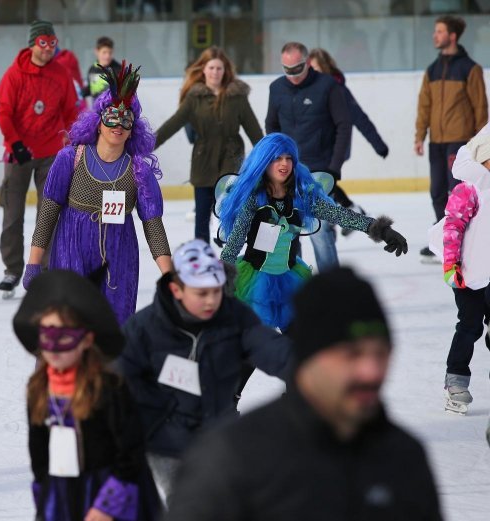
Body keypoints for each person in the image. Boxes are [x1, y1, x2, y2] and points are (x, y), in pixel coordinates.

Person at [165, 268, 444, 521]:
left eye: (381, 353)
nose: (371, 371)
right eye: (352, 355)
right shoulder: (232, 457)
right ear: (310, 356)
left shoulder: (403, 456)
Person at [119, 239, 291, 505]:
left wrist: (309, 370)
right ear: (177, 289)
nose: (211, 300)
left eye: (216, 291)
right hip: (167, 439)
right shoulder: (144, 328)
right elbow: (117, 379)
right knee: (191, 501)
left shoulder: (235, 318)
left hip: (219, 432)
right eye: (201, 293)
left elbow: (270, 347)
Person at [22, 63, 171, 324]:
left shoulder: (138, 171)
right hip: (72, 253)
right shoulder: (70, 159)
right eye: (112, 116)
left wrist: (170, 279)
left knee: (114, 331)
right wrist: (34, 264)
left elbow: (153, 227)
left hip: (119, 259)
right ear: (98, 122)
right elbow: (48, 213)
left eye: (126, 118)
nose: (119, 124)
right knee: (68, 328)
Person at [218, 133, 407, 333]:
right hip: (253, 284)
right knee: (248, 353)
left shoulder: (301, 197)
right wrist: (220, 282)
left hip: (290, 280)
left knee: (299, 350)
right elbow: (235, 243)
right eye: (277, 158)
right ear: (264, 162)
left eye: (288, 158)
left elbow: (340, 215)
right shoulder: (254, 200)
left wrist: (382, 230)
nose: (284, 164)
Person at [13, 269, 162, 521]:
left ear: (86, 339)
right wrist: (45, 496)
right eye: (47, 334)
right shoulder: (38, 388)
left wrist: (107, 506)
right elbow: (38, 450)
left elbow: (131, 450)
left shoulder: (109, 386)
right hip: (62, 489)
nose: (54, 347)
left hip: (110, 489)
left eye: (65, 335)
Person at [0, 19, 79, 296]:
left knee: (49, 214)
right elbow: (4, 113)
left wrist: (73, 137)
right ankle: (12, 270)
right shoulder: (14, 74)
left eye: (52, 43)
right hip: (19, 154)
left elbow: (70, 111)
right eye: (43, 43)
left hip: (50, 153)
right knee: (12, 214)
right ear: (33, 44)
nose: (48, 49)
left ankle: (44, 270)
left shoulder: (61, 73)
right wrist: (15, 143)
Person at [155, 46, 263, 243]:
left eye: (219, 68)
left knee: (228, 219)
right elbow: (172, 125)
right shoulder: (194, 98)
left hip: (231, 162)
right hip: (203, 163)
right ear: (203, 69)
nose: (215, 72)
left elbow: (254, 131)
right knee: (202, 222)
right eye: (211, 68)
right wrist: (146, 146)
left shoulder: (237, 97)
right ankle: (203, 264)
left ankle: (230, 262)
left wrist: (269, 156)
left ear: (225, 70)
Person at [266, 41, 352, 272]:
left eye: (297, 69)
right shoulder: (276, 88)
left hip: (319, 171)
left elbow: (344, 126)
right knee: (288, 230)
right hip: (286, 171)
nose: (292, 75)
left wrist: (334, 167)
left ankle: (330, 285)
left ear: (307, 62)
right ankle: (295, 281)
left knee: (320, 229)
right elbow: (271, 125)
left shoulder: (328, 87)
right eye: (287, 70)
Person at [416, 15, 487, 262]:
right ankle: (444, 238)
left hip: (460, 142)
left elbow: (481, 108)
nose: (435, 36)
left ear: (452, 36)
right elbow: (424, 105)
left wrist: (482, 146)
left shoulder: (470, 69)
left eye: (439, 31)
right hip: (437, 141)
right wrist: (419, 135)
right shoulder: (432, 70)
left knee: (456, 191)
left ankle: (466, 239)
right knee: (436, 191)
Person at [430, 130, 490, 414]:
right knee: (470, 325)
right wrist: (451, 266)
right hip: (465, 274)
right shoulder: (468, 189)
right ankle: (456, 381)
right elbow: (452, 229)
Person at [309, 47, 389, 232]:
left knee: (322, 182)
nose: (312, 73)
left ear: (325, 68)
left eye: (315, 69)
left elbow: (359, 117)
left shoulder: (337, 90)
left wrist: (379, 145)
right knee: (321, 184)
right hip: (317, 146)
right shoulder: (311, 90)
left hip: (335, 147)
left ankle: (347, 213)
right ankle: (349, 211)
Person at [83, 36, 122, 101]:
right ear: (96, 51)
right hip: (96, 108)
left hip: (112, 109)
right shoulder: (92, 69)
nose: (107, 56)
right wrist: (81, 93)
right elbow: (91, 89)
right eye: (104, 52)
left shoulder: (118, 69)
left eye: (110, 53)